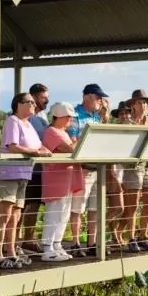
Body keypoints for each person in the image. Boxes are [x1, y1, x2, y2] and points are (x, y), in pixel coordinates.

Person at [0, 93, 50, 269]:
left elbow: (38, 145)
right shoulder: (13, 121)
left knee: (16, 216)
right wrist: (35, 152)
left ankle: (11, 251)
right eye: (29, 102)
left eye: (34, 102)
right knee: (4, 215)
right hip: (9, 173)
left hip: (24, 173)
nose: (33, 105)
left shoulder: (29, 124)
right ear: (18, 104)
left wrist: (44, 150)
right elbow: (12, 146)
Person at [66, 83, 110, 256]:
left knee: (95, 207)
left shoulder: (96, 117)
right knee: (78, 207)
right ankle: (76, 242)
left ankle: (92, 242)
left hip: (97, 168)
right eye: (99, 98)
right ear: (89, 96)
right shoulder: (75, 115)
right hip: (82, 169)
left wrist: (105, 117)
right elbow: (72, 140)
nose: (101, 101)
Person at [40, 102, 83, 261]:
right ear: (59, 116)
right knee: (54, 212)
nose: (70, 120)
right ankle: (47, 247)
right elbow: (72, 149)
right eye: (68, 117)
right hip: (56, 178)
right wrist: (80, 139)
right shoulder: (51, 131)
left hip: (67, 178)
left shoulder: (64, 132)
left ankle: (56, 244)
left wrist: (75, 140)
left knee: (63, 213)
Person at [122, 89, 148, 252]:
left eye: (145, 102)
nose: (143, 105)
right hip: (133, 166)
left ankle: (144, 236)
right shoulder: (127, 123)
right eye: (139, 102)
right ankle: (132, 238)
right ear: (133, 105)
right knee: (133, 204)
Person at [20, 83, 50, 253]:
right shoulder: (24, 117)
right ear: (34, 96)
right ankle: (14, 240)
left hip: (40, 169)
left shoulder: (43, 117)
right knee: (21, 205)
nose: (46, 100)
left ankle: (28, 238)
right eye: (44, 97)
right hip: (26, 168)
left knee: (35, 204)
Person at [105, 101, 132, 249]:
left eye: (127, 112)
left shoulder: (132, 131)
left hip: (127, 171)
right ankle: (98, 229)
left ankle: (115, 236)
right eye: (121, 113)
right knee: (118, 207)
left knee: (126, 207)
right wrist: (113, 172)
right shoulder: (115, 131)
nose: (124, 115)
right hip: (114, 170)